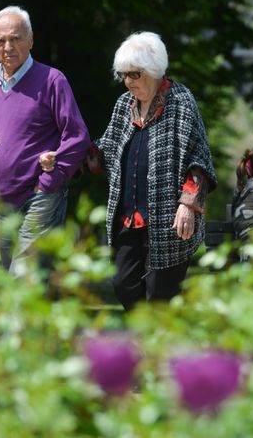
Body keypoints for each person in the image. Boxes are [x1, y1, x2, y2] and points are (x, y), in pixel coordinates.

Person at [70, 31, 215, 310]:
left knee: (160, 296)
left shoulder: (181, 102)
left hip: (167, 219)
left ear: (153, 70)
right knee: (123, 284)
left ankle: (152, 348)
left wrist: (187, 205)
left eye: (134, 74)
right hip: (128, 215)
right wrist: (70, 154)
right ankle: (146, 340)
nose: (127, 82)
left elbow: (198, 158)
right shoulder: (124, 105)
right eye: (123, 75)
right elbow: (106, 148)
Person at [0, 6, 92, 276]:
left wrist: (50, 180)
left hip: (39, 196)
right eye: (0, 41)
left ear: (31, 40)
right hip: (0, 201)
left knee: (23, 277)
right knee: (9, 280)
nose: (8, 46)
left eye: (15, 38)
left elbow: (78, 136)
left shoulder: (52, 80)